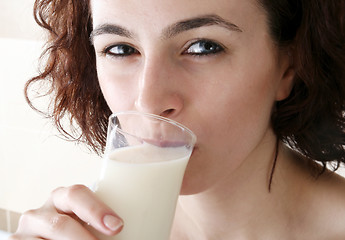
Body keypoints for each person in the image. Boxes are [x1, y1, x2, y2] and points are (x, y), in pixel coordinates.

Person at [9, 0, 345, 239]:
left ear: (289, 65)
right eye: (121, 49)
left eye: (202, 47)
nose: (149, 101)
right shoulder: (90, 231)